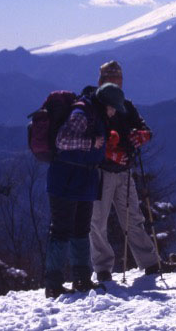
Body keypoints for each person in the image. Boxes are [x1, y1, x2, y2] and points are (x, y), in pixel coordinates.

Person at [89, 60, 176, 283]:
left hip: (122, 170)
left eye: (118, 81)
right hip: (102, 171)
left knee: (131, 219)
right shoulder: (93, 105)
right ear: (101, 82)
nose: (116, 85)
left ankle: (148, 263)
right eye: (112, 81)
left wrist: (142, 135)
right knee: (98, 221)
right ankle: (104, 269)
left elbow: (144, 128)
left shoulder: (123, 105)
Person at [44, 82, 122, 298]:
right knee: (61, 230)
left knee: (81, 229)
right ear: (105, 104)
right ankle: (54, 284)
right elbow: (62, 140)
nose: (114, 112)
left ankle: (81, 278)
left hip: (84, 180)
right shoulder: (82, 112)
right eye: (113, 107)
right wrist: (90, 143)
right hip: (66, 179)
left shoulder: (95, 113)